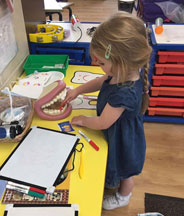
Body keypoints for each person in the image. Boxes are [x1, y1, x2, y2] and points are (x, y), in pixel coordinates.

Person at [64, 12, 152, 210]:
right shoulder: (121, 72)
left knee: (125, 170)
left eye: (102, 63)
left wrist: (82, 120)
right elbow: (98, 81)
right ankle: (112, 181)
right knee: (112, 161)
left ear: (121, 62)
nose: (98, 66)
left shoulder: (125, 92)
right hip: (116, 130)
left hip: (124, 139)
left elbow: (103, 122)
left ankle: (123, 197)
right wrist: (77, 90)